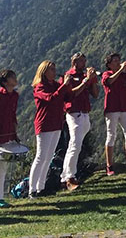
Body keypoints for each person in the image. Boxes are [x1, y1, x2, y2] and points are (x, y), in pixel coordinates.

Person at [29, 61, 69, 198]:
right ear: (44, 71)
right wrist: (64, 86)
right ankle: (32, 189)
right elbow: (50, 98)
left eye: (54, 69)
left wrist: (67, 85)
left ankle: (41, 187)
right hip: (45, 124)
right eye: (51, 69)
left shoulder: (55, 85)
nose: (54, 72)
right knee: (40, 156)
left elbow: (66, 96)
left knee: (48, 157)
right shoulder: (39, 87)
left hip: (56, 123)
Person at [61, 52, 99, 191]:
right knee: (75, 144)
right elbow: (72, 93)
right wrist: (85, 81)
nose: (84, 64)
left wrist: (92, 80)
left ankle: (64, 176)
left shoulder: (84, 76)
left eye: (84, 61)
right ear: (74, 62)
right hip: (73, 112)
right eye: (81, 61)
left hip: (84, 112)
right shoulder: (68, 76)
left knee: (75, 145)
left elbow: (95, 94)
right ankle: (70, 177)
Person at [102, 53, 126, 176]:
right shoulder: (106, 74)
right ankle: (109, 165)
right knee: (111, 135)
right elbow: (110, 81)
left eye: (119, 60)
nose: (118, 62)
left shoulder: (124, 75)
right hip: (112, 109)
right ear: (109, 64)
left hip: (124, 108)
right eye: (115, 61)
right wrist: (121, 69)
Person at [0, 70, 19, 206]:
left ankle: (0, 197)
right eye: (12, 77)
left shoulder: (15, 95)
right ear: (5, 81)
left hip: (8, 134)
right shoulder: (1, 94)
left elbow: (12, 115)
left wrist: (14, 132)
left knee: (3, 166)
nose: (15, 79)